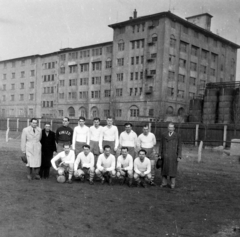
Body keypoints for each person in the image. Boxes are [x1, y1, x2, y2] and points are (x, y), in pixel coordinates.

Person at [158, 122, 182, 189]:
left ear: (174, 128)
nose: (170, 128)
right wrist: (159, 154)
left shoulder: (177, 135)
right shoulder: (164, 135)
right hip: (164, 155)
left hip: (173, 156)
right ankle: (164, 183)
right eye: (169, 127)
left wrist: (179, 156)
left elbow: (179, 146)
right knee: (164, 169)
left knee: (172, 170)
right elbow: (161, 145)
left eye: (172, 127)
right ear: (167, 128)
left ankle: (172, 184)